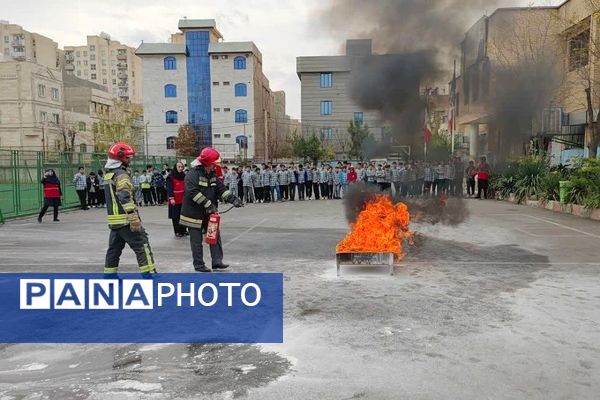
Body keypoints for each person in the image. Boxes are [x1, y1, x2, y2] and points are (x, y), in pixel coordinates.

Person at [180, 147, 243, 273]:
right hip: (193, 214)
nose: (215, 167)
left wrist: (233, 199)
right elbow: (193, 192)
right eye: (214, 164)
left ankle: (217, 261)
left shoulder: (212, 174)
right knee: (197, 241)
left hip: (208, 212)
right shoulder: (192, 175)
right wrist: (208, 204)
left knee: (214, 236)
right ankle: (199, 265)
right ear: (207, 164)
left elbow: (220, 189)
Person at [103, 142, 156, 276]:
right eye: (127, 157)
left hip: (115, 221)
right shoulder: (121, 175)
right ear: (120, 158)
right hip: (126, 219)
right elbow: (124, 196)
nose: (129, 160)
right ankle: (150, 275)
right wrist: (133, 216)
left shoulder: (109, 174)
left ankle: (110, 277)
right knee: (142, 245)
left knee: (114, 250)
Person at [167, 161, 187, 237]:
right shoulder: (170, 176)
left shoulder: (183, 175)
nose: (180, 168)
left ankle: (184, 230)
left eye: (182, 167)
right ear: (175, 167)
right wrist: (171, 198)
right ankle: (177, 231)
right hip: (174, 199)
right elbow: (169, 188)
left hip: (183, 198)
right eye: (179, 167)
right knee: (176, 216)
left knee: (183, 215)